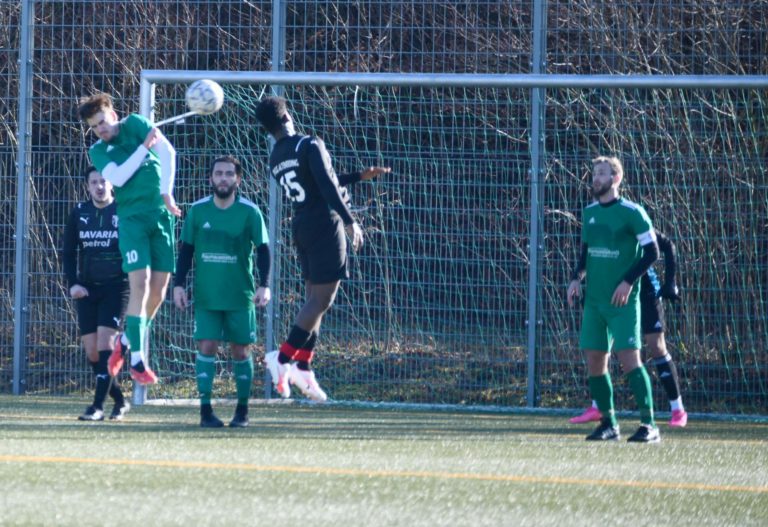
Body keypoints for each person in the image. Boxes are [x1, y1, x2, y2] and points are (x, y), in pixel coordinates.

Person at [255, 96, 390, 402]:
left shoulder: (276, 157)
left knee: (314, 300)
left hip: (302, 227)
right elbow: (327, 186)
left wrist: (358, 176)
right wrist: (350, 221)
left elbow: (318, 181)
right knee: (322, 300)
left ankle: (303, 366)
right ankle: (282, 358)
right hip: (325, 226)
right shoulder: (309, 144)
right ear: (287, 116)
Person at [78, 93, 181, 386]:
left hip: (160, 216)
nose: (100, 129)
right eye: (94, 126)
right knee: (141, 284)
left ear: (113, 114)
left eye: (102, 122)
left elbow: (167, 153)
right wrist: (142, 149)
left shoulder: (136, 124)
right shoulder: (98, 151)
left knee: (158, 292)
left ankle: (125, 341)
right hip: (132, 221)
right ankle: (137, 360)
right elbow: (119, 178)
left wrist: (167, 193)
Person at [566, 156, 661, 443]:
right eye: (594, 173)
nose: (596, 178)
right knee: (595, 359)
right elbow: (586, 252)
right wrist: (576, 278)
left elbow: (652, 252)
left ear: (616, 178)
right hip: (594, 302)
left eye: (602, 173)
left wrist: (628, 281)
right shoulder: (590, 212)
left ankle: (649, 425)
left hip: (622, 303)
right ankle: (609, 424)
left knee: (630, 359)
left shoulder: (632, 212)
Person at [172, 155, 271, 428]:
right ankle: (205, 411)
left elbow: (263, 250)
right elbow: (186, 251)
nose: (223, 179)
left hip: (240, 295)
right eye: (219, 174)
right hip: (207, 296)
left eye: (229, 174)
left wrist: (265, 285)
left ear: (238, 179)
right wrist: (178, 284)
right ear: (211, 178)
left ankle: (242, 411)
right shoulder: (197, 211)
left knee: (241, 351)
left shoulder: (250, 212)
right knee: (207, 346)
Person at [569, 230, 688, 427]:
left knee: (657, 346)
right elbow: (589, 252)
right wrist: (577, 277)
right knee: (601, 347)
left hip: (645, 292)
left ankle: (678, 410)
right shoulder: (599, 223)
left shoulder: (631, 222)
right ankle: (598, 406)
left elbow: (667, 245)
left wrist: (670, 282)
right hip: (613, 291)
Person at [62, 166, 130, 421]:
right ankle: (120, 400)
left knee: (105, 347)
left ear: (112, 184)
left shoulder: (123, 211)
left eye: (104, 181)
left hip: (117, 288)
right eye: (94, 182)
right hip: (87, 290)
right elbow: (69, 253)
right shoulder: (79, 212)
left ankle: (97, 407)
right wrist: (73, 283)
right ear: (87, 186)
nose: (99, 186)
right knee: (92, 353)